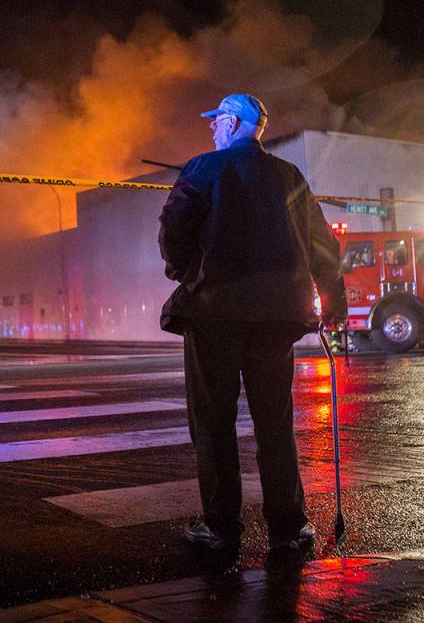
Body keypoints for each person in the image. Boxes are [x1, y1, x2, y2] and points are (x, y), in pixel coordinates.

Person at [159, 93, 347, 553]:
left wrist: (190, 275)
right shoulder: (289, 176)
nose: (211, 129)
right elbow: (323, 246)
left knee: (214, 421)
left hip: (215, 313)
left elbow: (172, 232)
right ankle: (288, 527)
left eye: (216, 120)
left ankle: (221, 529)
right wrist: (333, 302)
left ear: (231, 122)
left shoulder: (203, 168)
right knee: (274, 422)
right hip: (276, 318)